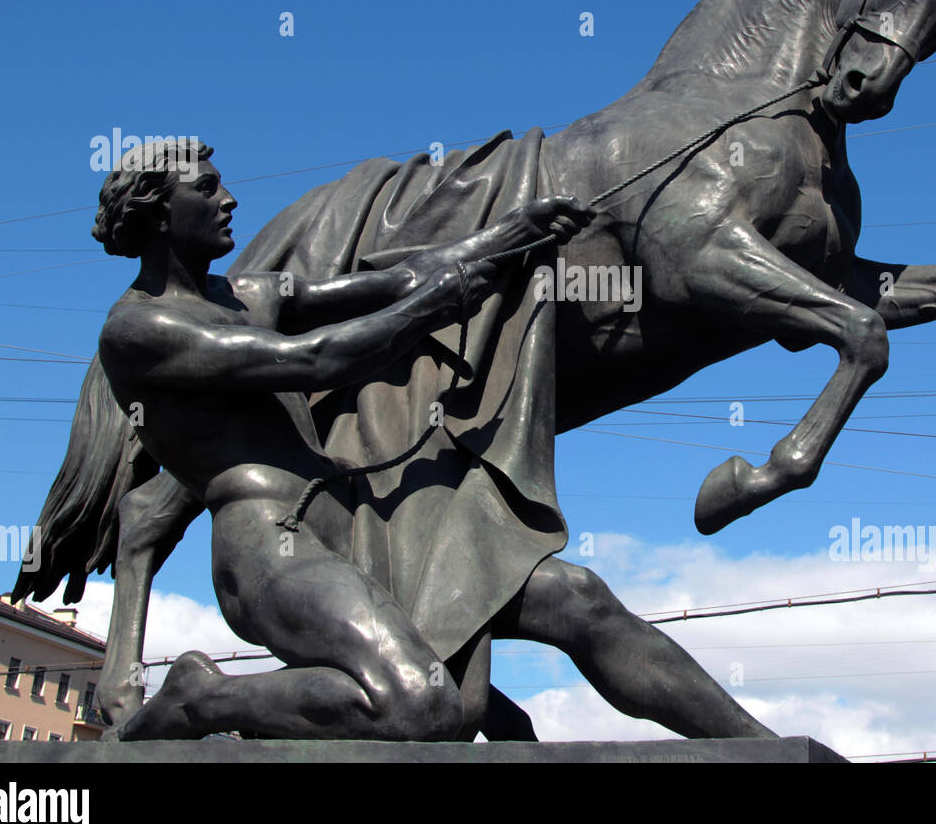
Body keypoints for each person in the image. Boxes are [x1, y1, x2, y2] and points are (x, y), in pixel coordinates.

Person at [95, 137, 593, 739]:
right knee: (418, 705)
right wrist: (431, 309)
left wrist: (513, 232)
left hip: (349, 527)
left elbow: (403, 278)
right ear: (157, 213)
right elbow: (313, 359)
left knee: (462, 700)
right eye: (205, 189)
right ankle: (203, 698)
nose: (228, 200)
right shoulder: (140, 330)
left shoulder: (248, 293)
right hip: (269, 542)